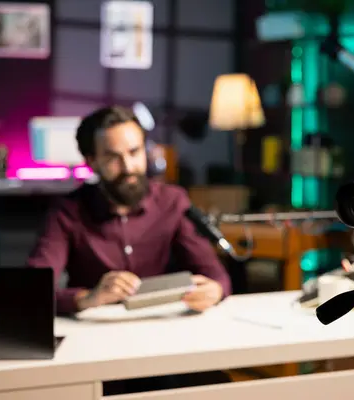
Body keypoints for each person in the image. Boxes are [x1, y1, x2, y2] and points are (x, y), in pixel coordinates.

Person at [26, 106, 231, 394]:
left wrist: (215, 290)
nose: (129, 166)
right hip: (94, 350)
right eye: (113, 157)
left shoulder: (173, 201)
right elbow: (32, 291)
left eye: (135, 152)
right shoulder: (67, 211)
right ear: (91, 161)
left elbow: (216, 275)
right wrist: (89, 297)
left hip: (163, 342)